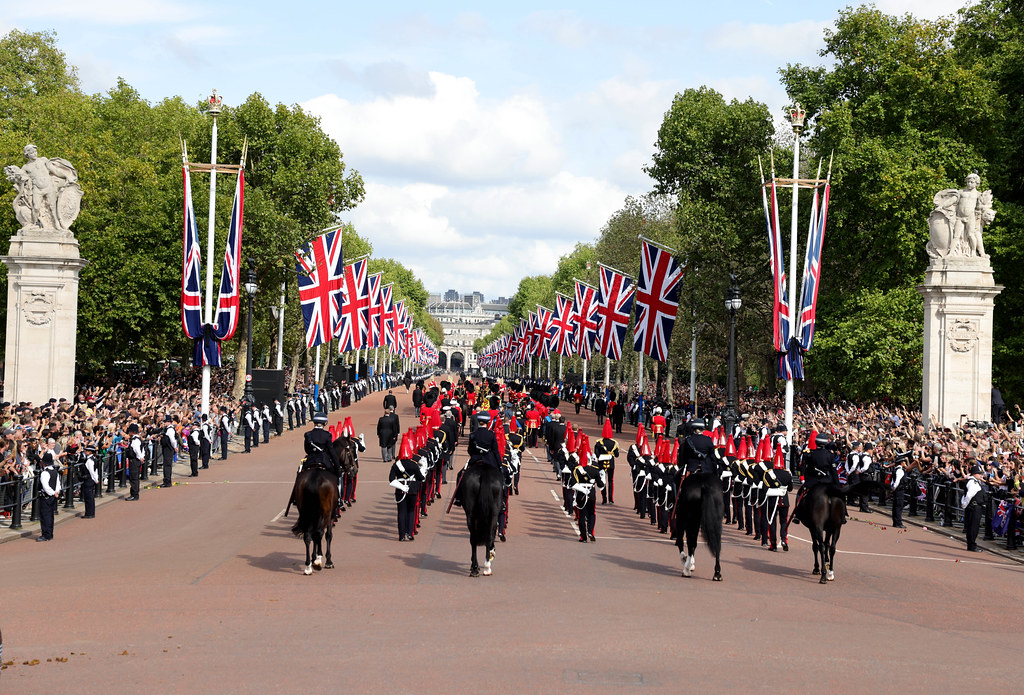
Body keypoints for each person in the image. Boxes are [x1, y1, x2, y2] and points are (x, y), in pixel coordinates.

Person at [389, 433, 424, 541]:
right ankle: (410, 533)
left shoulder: (396, 465)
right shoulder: (414, 464)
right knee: (411, 511)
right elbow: (421, 478)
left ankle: (401, 535)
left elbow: (391, 479)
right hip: (412, 489)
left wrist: (401, 486)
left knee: (401, 512)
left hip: (400, 490)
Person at [572, 434, 604, 542]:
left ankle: (583, 537)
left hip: (581, 494)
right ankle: (590, 530)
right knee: (592, 514)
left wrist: (582, 490)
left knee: (582, 516)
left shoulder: (577, 470)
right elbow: (600, 485)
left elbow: (572, 484)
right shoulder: (595, 470)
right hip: (591, 494)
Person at [961, 463, 987, 552]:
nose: (981, 475)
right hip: (974, 507)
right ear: (974, 474)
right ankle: (972, 545)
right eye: (979, 473)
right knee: (973, 527)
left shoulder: (974, 481)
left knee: (972, 526)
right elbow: (968, 495)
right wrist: (964, 505)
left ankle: (971, 544)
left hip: (974, 507)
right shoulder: (972, 482)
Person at [37, 451, 61, 541]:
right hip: (53, 497)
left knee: (45, 516)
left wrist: (52, 493)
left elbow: (45, 486)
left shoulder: (45, 473)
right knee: (50, 515)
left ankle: (46, 535)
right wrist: (56, 492)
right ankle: (50, 534)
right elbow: (58, 483)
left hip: (46, 497)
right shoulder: (55, 471)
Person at [593, 419, 619, 504]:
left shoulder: (599, 443)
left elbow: (596, 454)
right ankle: (611, 499)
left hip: (601, 463)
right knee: (610, 480)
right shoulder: (614, 443)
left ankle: (604, 498)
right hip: (611, 463)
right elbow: (617, 454)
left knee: (602, 479)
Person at [125, 423, 145, 501]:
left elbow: (137, 450)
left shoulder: (135, 440)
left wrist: (140, 457)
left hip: (134, 460)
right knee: (135, 478)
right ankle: (134, 494)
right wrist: (141, 457)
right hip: (136, 460)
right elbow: (142, 449)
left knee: (134, 478)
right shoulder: (138, 439)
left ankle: (134, 494)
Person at [81, 443, 99, 518]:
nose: (85, 451)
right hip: (91, 480)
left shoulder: (89, 461)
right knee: (90, 497)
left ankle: (89, 513)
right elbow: (96, 470)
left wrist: (95, 480)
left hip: (88, 480)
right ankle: (91, 512)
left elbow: (92, 472)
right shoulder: (94, 459)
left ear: (90, 452)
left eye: (87, 450)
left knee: (88, 497)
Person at [160, 414, 177, 488]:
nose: (164, 423)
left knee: (167, 465)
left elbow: (172, 440)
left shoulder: (170, 430)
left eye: (165, 422)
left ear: (169, 422)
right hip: (167, 448)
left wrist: (175, 447)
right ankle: (166, 480)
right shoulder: (167, 429)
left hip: (168, 448)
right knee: (166, 464)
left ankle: (167, 481)